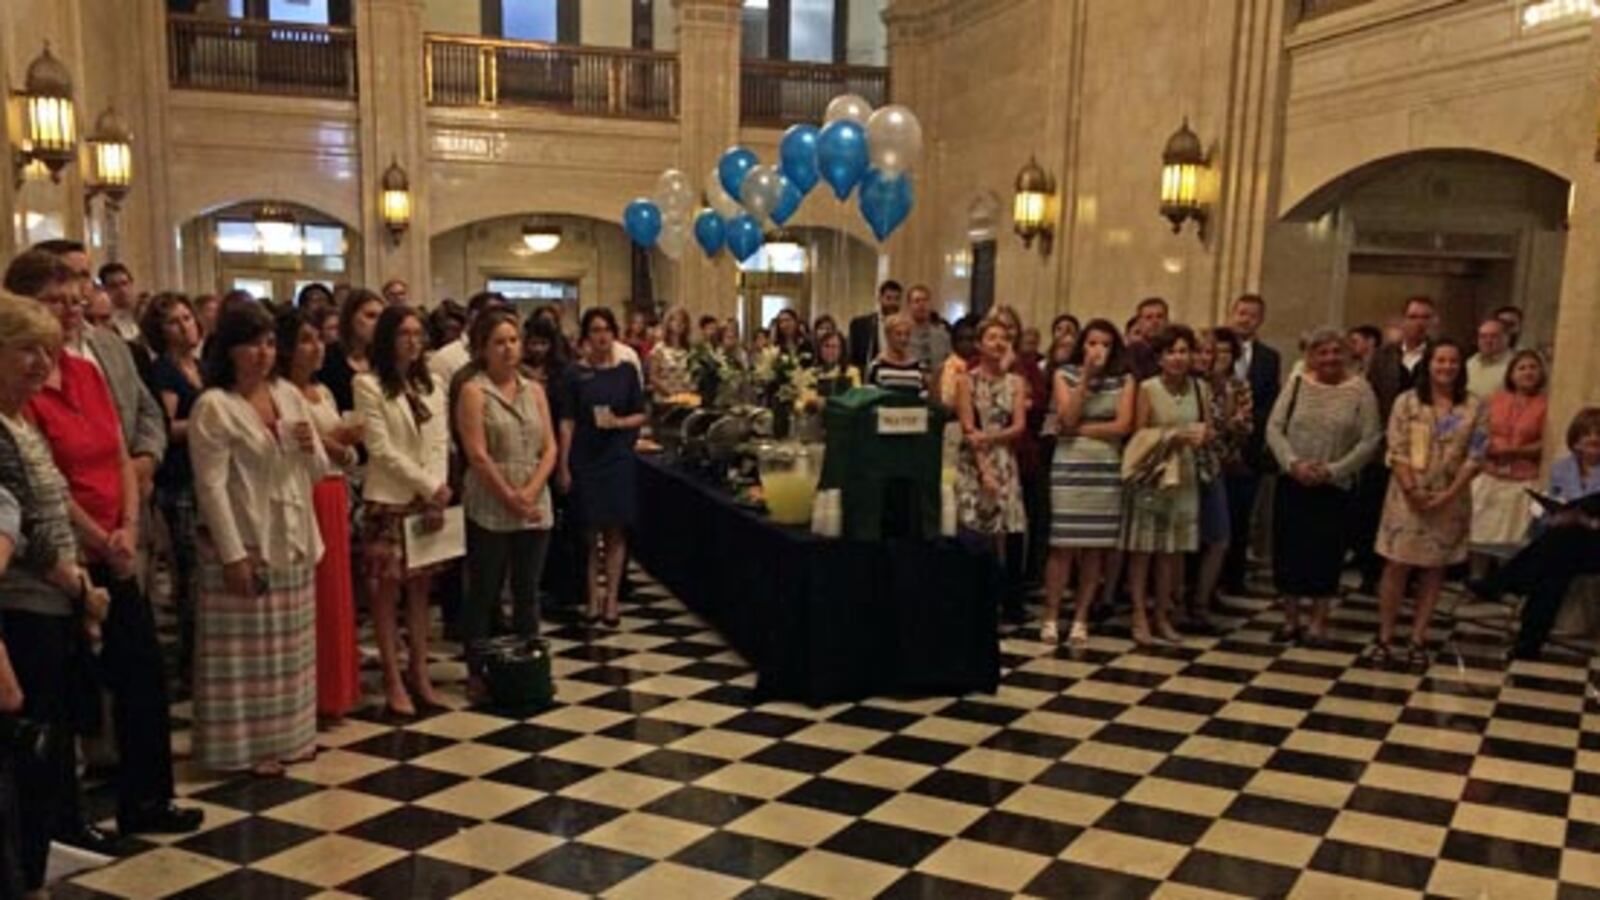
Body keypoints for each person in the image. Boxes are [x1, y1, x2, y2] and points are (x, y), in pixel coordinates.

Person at [14, 254, 199, 843]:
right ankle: (66, 823)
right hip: (61, 556)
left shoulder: (87, 370)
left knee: (142, 675)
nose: (72, 313)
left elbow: (118, 450)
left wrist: (127, 525)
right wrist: (97, 538)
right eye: (57, 301)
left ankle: (148, 799)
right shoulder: (21, 391)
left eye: (76, 300)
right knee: (66, 693)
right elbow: (41, 480)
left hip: (118, 541)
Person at [0, 291, 113, 892]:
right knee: (32, 745)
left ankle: (39, 852)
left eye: (47, 351)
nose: (42, 364)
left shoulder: (20, 419)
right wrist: (78, 585)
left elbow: (46, 509)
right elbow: (25, 533)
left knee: (55, 734)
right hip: (23, 602)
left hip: (54, 598)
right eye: (26, 351)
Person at [189, 302, 328, 773]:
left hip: (291, 531)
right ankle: (247, 747)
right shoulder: (214, 406)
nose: (262, 354)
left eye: (269, 344)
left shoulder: (288, 395)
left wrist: (312, 448)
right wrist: (232, 554)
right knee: (246, 655)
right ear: (229, 349)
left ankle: (291, 736)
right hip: (247, 535)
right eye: (252, 344)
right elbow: (210, 486)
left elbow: (317, 472)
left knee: (290, 648)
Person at [14, 247, 168, 504]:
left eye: (84, 276)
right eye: (56, 296)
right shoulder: (24, 370)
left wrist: (145, 459)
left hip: (128, 496)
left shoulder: (111, 346)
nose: (79, 287)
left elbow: (147, 409)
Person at [356, 305, 452, 716]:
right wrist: (428, 486)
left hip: (426, 500)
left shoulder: (432, 385)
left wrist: (437, 490)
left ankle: (419, 672)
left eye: (418, 333)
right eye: (404, 334)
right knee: (386, 593)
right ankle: (393, 678)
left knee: (420, 592)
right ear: (388, 339)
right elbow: (381, 450)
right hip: (391, 499)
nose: (413, 341)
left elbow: (438, 440)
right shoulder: (369, 384)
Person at [457, 309, 557, 698]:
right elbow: (477, 453)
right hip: (491, 499)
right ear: (483, 348)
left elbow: (550, 446)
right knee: (485, 589)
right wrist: (510, 496)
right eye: (499, 342)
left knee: (527, 590)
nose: (508, 349)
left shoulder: (534, 389)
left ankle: (530, 666)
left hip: (533, 498)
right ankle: (478, 670)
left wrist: (531, 491)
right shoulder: (474, 391)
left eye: (513, 340)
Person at [1372, 339, 1485, 669]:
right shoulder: (1406, 402)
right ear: (1429, 364)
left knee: (1434, 569)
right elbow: (1396, 448)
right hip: (1407, 498)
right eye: (1440, 361)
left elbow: (1477, 453)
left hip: (1450, 498)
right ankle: (1385, 636)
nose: (1446, 367)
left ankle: (1418, 637)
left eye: (1453, 361)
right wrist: (1412, 490)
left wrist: (1448, 494)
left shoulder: (1475, 406)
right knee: (1397, 565)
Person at [1265, 328, 1381, 645]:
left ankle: (1318, 621)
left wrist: (1334, 470)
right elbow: (1274, 428)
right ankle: (1290, 620)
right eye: (1322, 352)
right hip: (1294, 480)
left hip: (1335, 486)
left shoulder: (1360, 390)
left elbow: (1370, 439)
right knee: (1289, 551)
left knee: (1326, 554)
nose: (1329, 358)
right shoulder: (1298, 383)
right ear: (1311, 356)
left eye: (1336, 351)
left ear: (1347, 354)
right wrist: (1293, 463)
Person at [277, 308, 362, 720]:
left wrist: (344, 445)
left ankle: (338, 689)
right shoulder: (280, 393)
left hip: (334, 489)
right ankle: (314, 691)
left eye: (318, 339)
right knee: (318, 592)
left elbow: (335, 446)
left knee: (339, 590)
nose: (317, 348)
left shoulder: (324, 392)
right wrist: (332, 444)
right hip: (308, 491)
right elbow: (304, 443)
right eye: (306, 340)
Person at [1470, 408, 1600, 660]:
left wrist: (1584, 519)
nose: (1593, 442)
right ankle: (1527, 645)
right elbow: (1551, 504)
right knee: (1554, 569)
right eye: (1587, 436)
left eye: (1598, 437)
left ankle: (1504, 582)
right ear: (1576, 441)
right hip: (1565, 543)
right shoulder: (1562, 468)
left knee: (1561, 546)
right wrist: (1555, 516)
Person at [1041, 319, 1135, 645]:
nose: (1099, 350)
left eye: (1106, 345)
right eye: (1093, 343)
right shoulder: (1063, 374)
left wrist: (1082, 430)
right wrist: (1085, 379)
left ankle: (1081, 617)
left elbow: (1122, 425)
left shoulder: (1124, 379)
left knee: (1095, 548)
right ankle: (1052, 615)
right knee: (1063, 545)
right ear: (1083, 345)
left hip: (1105, 468)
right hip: (1070, 467)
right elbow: (1066, 417)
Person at [1124, 324, 1211, 645]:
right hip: (1153, 473)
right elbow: (1137, 432)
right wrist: (1169, 436)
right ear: (1160, 357)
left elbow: (1208, 429)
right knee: (1144, 548)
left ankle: (1163, 613)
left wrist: (1201, 436)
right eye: (1171, 352)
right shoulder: (1147, 388)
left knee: (1171, 552)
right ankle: (1138, 613)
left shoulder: (1200, 389)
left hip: (1184, 475)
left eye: (1183, 351)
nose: (1178, 358)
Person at [559, 308, 646, 627]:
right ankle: (591, 597)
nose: (602, 336)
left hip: (617, 455)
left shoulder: (626, 371)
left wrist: (619, 422)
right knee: (588, 530)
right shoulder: (573, 374)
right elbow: (566, 422)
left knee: (615, 529)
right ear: (586, 336)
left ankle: (612, 598)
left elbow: (640, 413)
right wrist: (563, 465)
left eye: (607, 330)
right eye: (595, 330)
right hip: (585, 456)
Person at [141, 292, 205, 683]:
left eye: (187, 317)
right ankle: (190, 658)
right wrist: (206, 419)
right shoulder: (164, 371)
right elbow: (166, 427)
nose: (185, 326)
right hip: (179, 482)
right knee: (191, 570)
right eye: (174, 322)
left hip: (206, 475)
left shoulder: (202, 366)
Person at [1355, 295, 1436, 592]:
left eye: (1425, 317)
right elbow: (1370, 395)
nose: (1419, 323)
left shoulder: (1437, 356)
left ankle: (1410, 576)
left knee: (1413, 511)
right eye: (1414, 316)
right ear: (1404, 320)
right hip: (1382, 444)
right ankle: (1370, 570)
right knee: (1372, 509)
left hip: (1421, 446)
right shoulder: (1384, 356)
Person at [955, 318, 1028, 587]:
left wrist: (988, 436)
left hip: (1004, 458)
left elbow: (1019, 426)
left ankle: (1002, 595)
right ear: (979, 344)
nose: (998, 343)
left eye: (1004, 338)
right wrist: (984, 469)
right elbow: (967, 427)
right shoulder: (966, 380)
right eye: (992, 338)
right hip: (974, 461)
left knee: (1005, 531)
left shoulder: (1016, 383)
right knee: (975, 530)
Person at [1189, 327, 1254, 628]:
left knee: (1218, 537)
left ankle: (1202, 600)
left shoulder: (1231, 387)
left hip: (1217, 465)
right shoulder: (1186, 386)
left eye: (1212, 353)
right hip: (1186, 467)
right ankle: (1177, 601)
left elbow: (1238, 426)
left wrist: (1230, 421)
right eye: (1201, 352)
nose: (1207, 358)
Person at [1220, 294, 1281, 598]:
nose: (1245, 319)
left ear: (1260, 319)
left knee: (1243, 514)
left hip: (1251, 446)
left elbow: (1271, 400)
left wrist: (1247, 420)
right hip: (1219, 443)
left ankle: (1234, 577)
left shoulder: (1269, 357)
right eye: (1241, 313)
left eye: (1252, 315)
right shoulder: (1217, 349)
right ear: (1232, 314)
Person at [1470, 349, 1547, 553]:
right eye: (1521, 368)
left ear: (1541, 373)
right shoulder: (1494, 400)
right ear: (1511, 374)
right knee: (1479, 534)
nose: (1527, 372)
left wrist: (1514, 451)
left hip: (1523, 479)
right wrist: (1484, 449)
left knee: (1512, 541)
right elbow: (1477, 432)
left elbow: (1547, 443)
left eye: (1533, 367)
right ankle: (1476, 578)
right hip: (1489, 474)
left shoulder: (1546, 405)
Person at [319, 288, 384, 412]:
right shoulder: (328, 357)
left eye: (381, 318)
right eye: (370, 316)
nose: (378, 324)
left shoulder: (383, 358)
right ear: (350, 318)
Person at [430, 292, 504, 389]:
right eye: (493, 314)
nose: (498, 320)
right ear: (474, 315)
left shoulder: (503, 355)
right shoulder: (445, 358)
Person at [848, 279, 904, 371]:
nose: (893, 303)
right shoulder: (860, 325)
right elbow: (853, 359)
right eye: (888, 298)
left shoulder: (906, 326)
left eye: (897, 299)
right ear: (880, 298)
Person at [866, 312, 928, 396]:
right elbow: (870, 397)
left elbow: (924, 395)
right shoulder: (877, 365)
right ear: (888, 336)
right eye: (898, 334)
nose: (903, 339)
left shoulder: (918, 366)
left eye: (907, 334)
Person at [648, 307, 695, 401]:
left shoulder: (690, 349)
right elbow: (653, 377)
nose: (679, 324)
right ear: (668, 323)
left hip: (688, 398)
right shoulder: (659, 349)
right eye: (675, 320)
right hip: (666, 399)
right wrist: (670, 393)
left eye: (682, 321)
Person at [1466, 317, 1512, 400]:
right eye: (1483, 336)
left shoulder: (1515, 365)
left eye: (1494, 336)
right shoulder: (1471, 362)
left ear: (1506, 338)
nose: (1488, 341)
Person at [905, 284, 951, 369]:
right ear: (909, 305)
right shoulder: (903, 335)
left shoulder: (942, 336)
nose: (921, 305)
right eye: (917, 301)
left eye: (925, 300)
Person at [1123, 297, 1169, 381]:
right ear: (1139, 322)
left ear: (1167, 320)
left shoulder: (1174, 349)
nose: (1155, 321)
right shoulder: (1133, 352)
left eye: (1160, 316)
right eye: (1149, 317)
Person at [99, 262, 142, 344]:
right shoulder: (105, 323)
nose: (122, 290)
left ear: (131, 284)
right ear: (104, 289)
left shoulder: (142, 316)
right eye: (114, 286)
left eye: (124, 283)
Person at [812, 331, 860, 398]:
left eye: (834, 346)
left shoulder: (851, 372)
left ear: (841, 350)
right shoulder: (811, 373)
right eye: (826, 346)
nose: (830, 350)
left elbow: (856, 398)